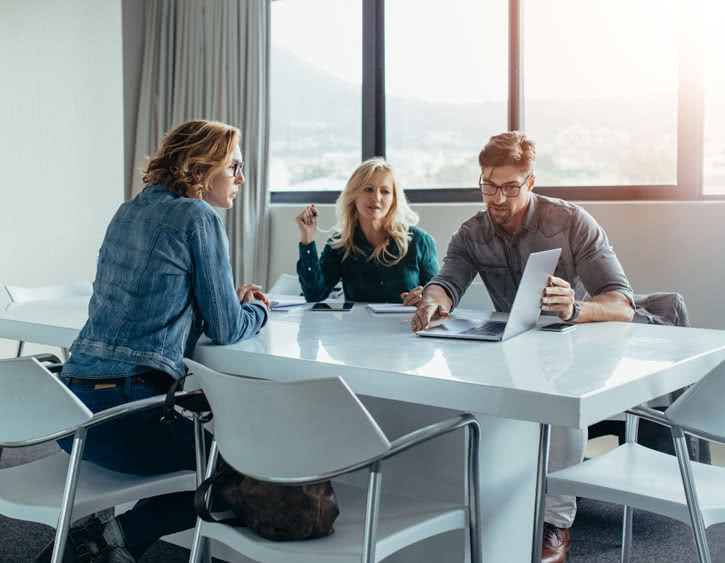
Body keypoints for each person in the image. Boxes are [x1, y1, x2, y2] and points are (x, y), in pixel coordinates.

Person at [40, 120, 269, 563]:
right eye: (235, 166)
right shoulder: (198, 216)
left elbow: (154, 300)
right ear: (202, 168)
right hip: (124, 412)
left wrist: (226, 300)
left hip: (71, 413)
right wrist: (258, 309)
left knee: (209, 458)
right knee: (238, 472)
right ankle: (114, 536)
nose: (242, 178)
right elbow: (225, 328)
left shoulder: (127, 210)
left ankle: (104, 545)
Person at [411, 131, 634, 563]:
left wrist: (575, 308)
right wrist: (432, 301)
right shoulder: (472, 232)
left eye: (510, 187)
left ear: (530, 183)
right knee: (461, 380)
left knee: (559, 394)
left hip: (580, 344)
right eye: (489, 185)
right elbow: (448, 281)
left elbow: (622, 302)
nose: (498, 198)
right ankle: (488, 502)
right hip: (520, 348)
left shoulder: (570, 221)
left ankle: (556, 523)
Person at [296, 158, 439, 305]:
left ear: (393, 199)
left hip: (406, 326)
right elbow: (314, 294)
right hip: (357, 327)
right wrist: (307, 237)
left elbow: (437, 296)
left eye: (385, 191)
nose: (376, 197)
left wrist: (426, 297)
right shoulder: (340, 244)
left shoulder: (420, 241)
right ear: (354, 195)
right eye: (368, 189)